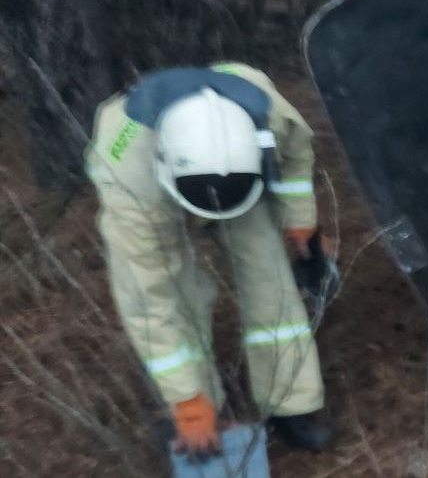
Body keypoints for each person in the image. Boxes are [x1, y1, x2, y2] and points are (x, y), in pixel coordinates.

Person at [85, 62, 334, 459]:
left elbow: (297, 155)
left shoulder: (267, 110)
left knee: (267, 271)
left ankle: (290, 404)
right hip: (147, 171)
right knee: (174, 290)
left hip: (238, 176)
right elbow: (151, 301)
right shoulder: (129, 180)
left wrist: (300, 219)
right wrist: (186, 398)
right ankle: (197, 408)